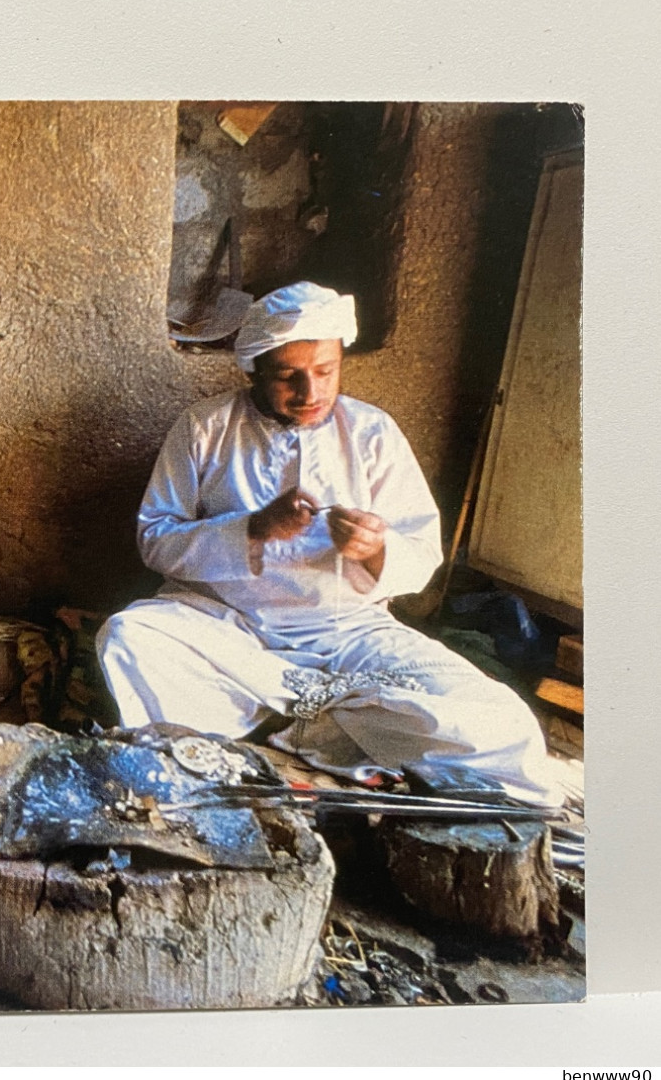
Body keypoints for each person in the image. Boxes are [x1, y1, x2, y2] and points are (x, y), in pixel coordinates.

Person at [96, 281, 561, 805]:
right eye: (287, 376)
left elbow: (423, 550)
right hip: (226, 627)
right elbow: (156, 539)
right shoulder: (205, 427)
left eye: (324, 372)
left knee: (500, 724)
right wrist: (252, 529)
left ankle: (289, 724)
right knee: (129, 636)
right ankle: (331, 724)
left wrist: (376, 548)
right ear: (253, 371)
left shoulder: (372, 433)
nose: (310, 393)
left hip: (350, 636)